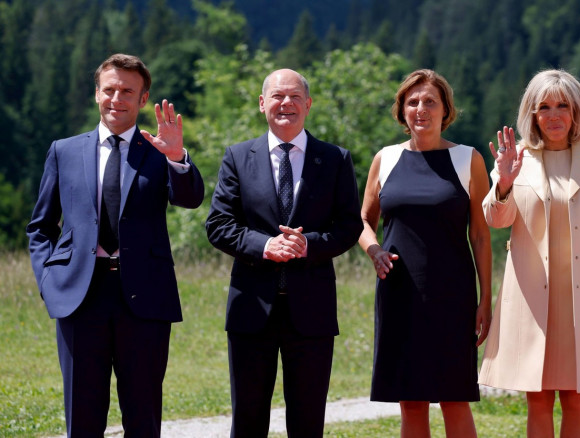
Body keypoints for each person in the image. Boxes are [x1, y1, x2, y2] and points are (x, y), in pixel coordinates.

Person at [26, 53, 205, 437]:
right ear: (96, 94)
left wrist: (176, 156)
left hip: (144, 299)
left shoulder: (159, 150)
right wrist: (49, 281)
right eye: (109, 89)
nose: (116, 99)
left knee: (143, 417)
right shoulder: (64, 150)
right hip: (79, 297)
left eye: (127, 91)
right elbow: (40, 227)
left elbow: (190, 200)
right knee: (83, 416)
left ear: (143, 100)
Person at [205, 68, 363, 438]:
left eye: (294, 97)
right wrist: (265, 246)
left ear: (308, 105)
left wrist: (308, 245)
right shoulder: (238, 156)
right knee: (247, 419)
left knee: (308, 422)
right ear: (262, 104)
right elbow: (218, 225)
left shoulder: (336, 159)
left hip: (312, 312)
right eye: (277, 96)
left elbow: (349, 227)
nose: (286, 103)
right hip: (251, 309)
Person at [478, 69, 580, 438]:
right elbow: (496, 220)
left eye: (563, 105)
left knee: (577, 400)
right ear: (532, 113)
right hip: (531, 302)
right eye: (544, 107)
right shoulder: (516, 160)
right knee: (539, 400)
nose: (554, 115)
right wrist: (505, 183)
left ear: (577, 111)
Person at [358, 69, 492, 438]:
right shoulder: (384, 159)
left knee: (455, 398)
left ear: (445, 109)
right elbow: (362, 220)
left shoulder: (469, 160)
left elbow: (481, 236)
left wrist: (486, 301)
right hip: (398, 292)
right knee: (411, 400)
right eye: (412, 102)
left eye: (430, 101)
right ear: (401, 111)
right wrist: (373, 250)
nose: (421, 109)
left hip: (454, 295)